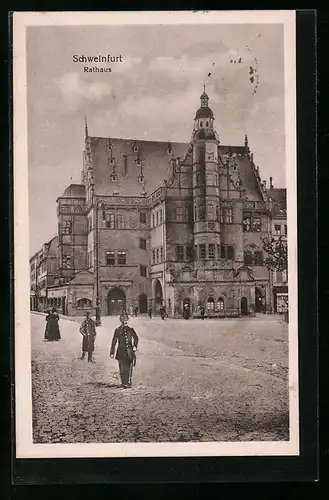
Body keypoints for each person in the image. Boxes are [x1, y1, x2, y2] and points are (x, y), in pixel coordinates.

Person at [110, 312, 139, 389]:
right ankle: (124, 382)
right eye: (123, 322)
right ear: (121, 322)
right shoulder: (117, 330)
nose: (125, 323)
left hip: (129, 351)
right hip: (121, 351)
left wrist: (135, 346)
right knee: (122, 368)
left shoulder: (130, 330)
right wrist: (112, 352)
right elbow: (114, 341)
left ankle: (127, 382)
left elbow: (136, 338)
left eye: (126, 322)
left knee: (128, 367)